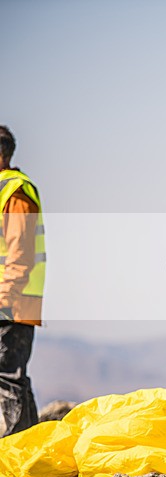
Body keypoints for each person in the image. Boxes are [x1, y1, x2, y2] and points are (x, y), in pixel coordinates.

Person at [0, 126, 46, 436]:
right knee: (13, 378)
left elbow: (19, 252)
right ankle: (30, 454)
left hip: (11, 302)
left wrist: (3, 298)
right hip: (11, 300)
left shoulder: (15, 190)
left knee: (6, 379)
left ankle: (12, 459)